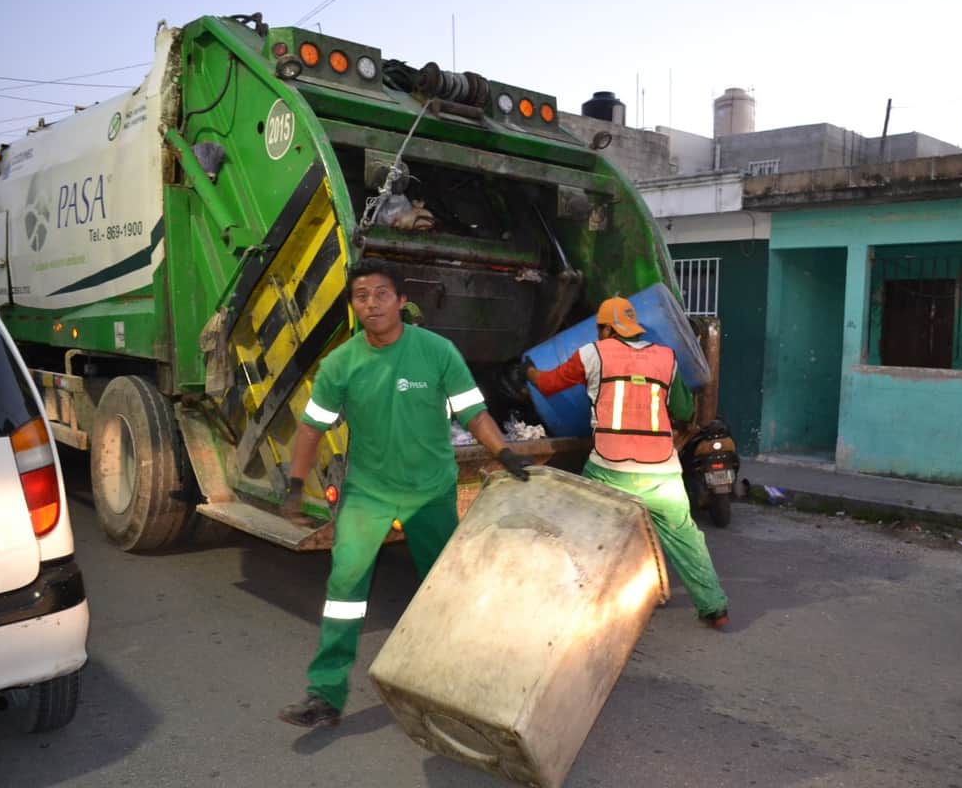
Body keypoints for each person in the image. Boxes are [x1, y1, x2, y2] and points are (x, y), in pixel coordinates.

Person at [278, 257, 534, 729]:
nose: (371, 304)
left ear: (400, 300)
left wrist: (504, 451)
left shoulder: (437, 353)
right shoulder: (340, 364)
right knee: (343, 592)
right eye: (361, 296)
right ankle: (326, 695)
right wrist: (296, 483)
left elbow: (473, 413)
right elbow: (312, 428)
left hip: (430, 492)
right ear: (353, 306)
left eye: (380, 294)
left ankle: (458, 682)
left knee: (442, 588)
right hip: (367, 495)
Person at [525, 295, 730, 630]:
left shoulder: (592, 353)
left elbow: (549, 384)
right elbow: (681, 411)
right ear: (634, 328)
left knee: (587, 527)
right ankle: (715, 607)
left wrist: (529, 371)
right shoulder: (667, 357)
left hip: (610, 469)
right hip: (662, 473)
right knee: (685, 536)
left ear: (606, 329)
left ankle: (581, 600)